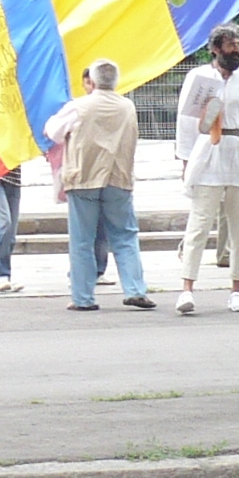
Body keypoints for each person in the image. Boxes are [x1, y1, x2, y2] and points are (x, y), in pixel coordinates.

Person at [173, 25, 239, 314]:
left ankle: (236, 290)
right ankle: (187, 290)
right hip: (208, 153)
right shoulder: (199, 77)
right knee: (199, 224)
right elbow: (186, 120)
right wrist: (185, 160)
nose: (237, 50)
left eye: (238, 44)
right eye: (231, 45)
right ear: (216, 49)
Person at [47, 59, 155, 312]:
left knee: (82, 240)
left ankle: (83, 297)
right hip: (119, 177)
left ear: (91, 82)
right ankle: (135, 290)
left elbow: (52, 131)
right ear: (116, 82)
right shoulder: (127, 106)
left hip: (84, 177)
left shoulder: (78, 107)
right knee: (125, 236)